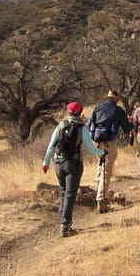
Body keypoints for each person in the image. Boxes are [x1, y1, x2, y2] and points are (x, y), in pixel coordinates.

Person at [43, 101, 107, 238]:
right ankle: (65, 226)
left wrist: (46, 162)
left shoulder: (60, 126)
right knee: (70, 194)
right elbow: (91, 149)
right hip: (74, 163)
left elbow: (51, 145)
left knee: (63, 190)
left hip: (58, 163)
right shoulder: (81, 128)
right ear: (80, 112)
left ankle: (63, 220)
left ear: (68, 112)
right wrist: (103, 152)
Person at [86, 90, 133, 213]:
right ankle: (101, 201)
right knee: (106, 171)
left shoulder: (97, 108)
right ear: (116, 99)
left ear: (107, 98)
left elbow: (88, 124)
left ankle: (97, 193)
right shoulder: (118, 110)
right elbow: (127, 128)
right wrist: (130, 121)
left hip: (96, 141)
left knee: (100, 167)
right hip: (109, 142)